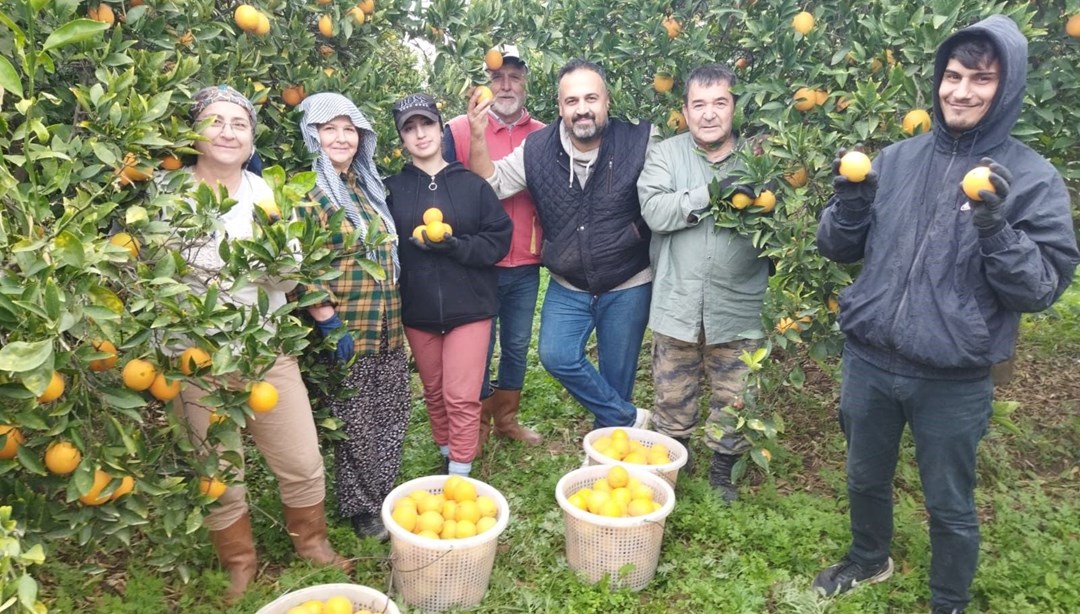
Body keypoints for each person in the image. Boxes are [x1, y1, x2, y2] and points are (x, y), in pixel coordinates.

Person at [813, 16, 1079, 613]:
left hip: (953, 374)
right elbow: (836, 247)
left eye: (980, 79)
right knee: (863, 477)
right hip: (870, 359)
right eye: (953, 76)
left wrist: (995, 226)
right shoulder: (900, 159)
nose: (961, 91)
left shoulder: (1032, 179)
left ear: (1004, 87)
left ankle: (948, 598)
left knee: (950, 501)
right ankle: (867, 558)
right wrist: (850, 202)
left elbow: (1039, 288)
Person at [175, 85, 351, 602]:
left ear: (252, 138)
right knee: (217, 470)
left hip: (267, 349)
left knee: (300, 456)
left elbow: (293, 272)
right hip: (196, 354)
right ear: (195, 131)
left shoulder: (269, 194)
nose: (228, 132)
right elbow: (147, 278)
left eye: (239, 123)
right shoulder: (168, 197)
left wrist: (310, 297)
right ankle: (239, 560)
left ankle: (312, 542)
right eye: (216, 121)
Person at [466, 58, 654, 430]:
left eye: (591, 98)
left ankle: (609, 450)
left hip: (628, 280)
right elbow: (491, 183)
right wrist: (476, 134)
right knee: (556, 355)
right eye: (572, 101)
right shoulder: (537, 148)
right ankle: (631, 420)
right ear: (560, 107)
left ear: (606, 102)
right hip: (569, 283)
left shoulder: (641, 139)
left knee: (618, 379)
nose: (582, 109)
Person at [636, 64, 769, 501]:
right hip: (678, 300)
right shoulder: (664, 154)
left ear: (734, 107)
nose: (709, 114)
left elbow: (783, 222)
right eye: (699, 104)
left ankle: (724, 466)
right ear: (685, 110)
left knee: (736, 394)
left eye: (719, 103)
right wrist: (713, 192)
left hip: (739, 303)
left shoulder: (760, 157)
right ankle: (677, 455)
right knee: (672, 392)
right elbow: (655, 211)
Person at [292, 92, 412, 541]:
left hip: (386, 325)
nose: (341, 138)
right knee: (356, 419)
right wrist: (326, 318)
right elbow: (301, 260)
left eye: (349, 129)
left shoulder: (367, 187)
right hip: (347, 326)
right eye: (330, 129)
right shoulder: (309, 193)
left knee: (392, 409)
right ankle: (362, 509)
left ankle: (383, 492)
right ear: (313, 135)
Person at [385, 93, 512, 477]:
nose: (420, 134)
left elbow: (497, 239)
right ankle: (446, 449)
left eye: (426, 124)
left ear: (440, 128)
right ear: (402, 139)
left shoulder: (471, 185)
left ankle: (460, 472)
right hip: (418, 310)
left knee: (461, 396)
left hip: (470, 308)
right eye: (410, 128)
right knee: (435, 394)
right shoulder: (391, 190)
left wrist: (454, 245)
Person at [442, 44, 547, 447]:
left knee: (517, 344)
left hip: (523, 261)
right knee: (480, 347)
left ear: (525, 84)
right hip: (477, 263)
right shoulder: (457, 130)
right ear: (484, 83)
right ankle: (478, 426)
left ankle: (507, 419)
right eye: (497, 76)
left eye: (515, 77)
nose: (506, 85)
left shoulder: (542, 135)